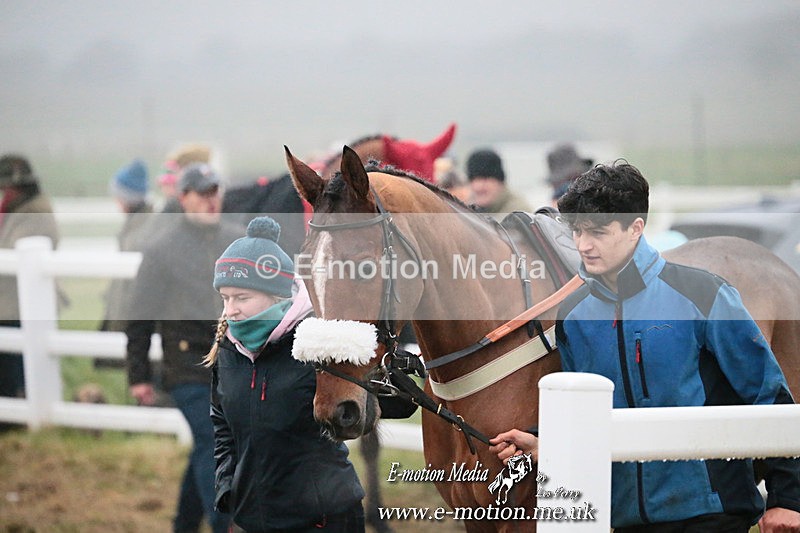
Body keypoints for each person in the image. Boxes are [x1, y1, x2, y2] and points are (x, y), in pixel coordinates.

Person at [490, 161, 800, 532]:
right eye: (578, 232)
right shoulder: (573, 315)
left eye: (598, 232)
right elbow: (588, 416)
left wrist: (788, 500)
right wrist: (544, 441)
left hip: (709, 517)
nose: (583, 245)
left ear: (636, 228)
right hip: (619, 520)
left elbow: (770, 397)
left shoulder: (704, 295)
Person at [206, 216, 365, 532]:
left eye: (242, 298)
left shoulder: (319, 342)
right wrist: (229, 487)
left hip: (323, 518)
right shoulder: (227, 351)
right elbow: (222, 425)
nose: (230, 310)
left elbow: (361, 414)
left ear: (277, 295)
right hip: (255, 519)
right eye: (225, 298)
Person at [125, 162, 241, 533]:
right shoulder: (161, 250)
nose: (211, 201)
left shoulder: (236, 241)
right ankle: (226, 525)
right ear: (183, 197)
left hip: (233, 365)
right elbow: (140, 317)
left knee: (208, 447)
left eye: (215, 192)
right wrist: (138, 375)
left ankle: (183, 525)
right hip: (187, 368)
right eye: (202, 194)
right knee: (213, 441)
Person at [0, 154, 60, 402]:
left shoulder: (35, 212)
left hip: (22, 305)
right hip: (11, 303)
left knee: (18, 368)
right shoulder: (15, 209)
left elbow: (16, 252)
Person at [465, 148, 531, 219]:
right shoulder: (469, 210)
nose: (478, 187)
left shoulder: (518, 214)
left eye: (485, 179)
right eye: (473, 179)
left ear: (500, 182)